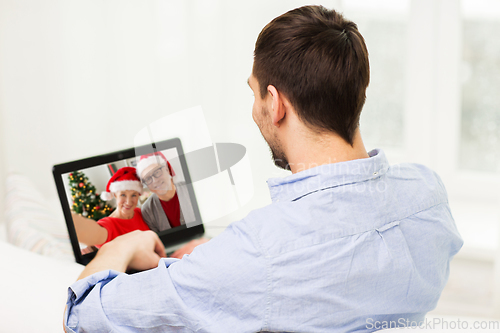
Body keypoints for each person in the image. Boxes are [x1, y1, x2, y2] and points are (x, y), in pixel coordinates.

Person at [64, 5, 463, 332]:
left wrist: (122, 246)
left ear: (276, 103)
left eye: (255, 93)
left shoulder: (262, 250)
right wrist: (219, 262)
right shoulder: (428, 194)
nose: (256, 107)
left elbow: (81, 317)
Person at [72, 167, 150, 248]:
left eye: (134, 195)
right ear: (115, 195)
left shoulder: (140, 212)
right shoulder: (109, 225)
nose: (128, 202)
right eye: (123, 195)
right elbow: (91, 233)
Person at [136, 151, 196, 232]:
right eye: (148, 178)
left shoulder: (192, 189)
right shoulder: (147, 210)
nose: (154, 181)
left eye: (157, 172)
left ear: (167, 169)